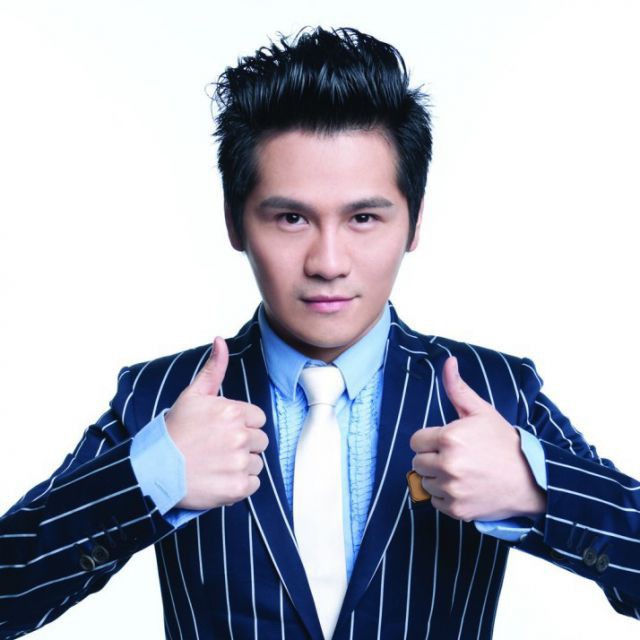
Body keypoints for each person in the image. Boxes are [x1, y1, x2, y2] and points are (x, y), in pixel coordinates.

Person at [0, 26, 638, 640]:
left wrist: (538, 489)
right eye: (290, 218)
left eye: (363, 218)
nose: (328, 262)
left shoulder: (494, 391)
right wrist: (152, 473)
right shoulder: (161, 397)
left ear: (414, 223)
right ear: (234, 222)